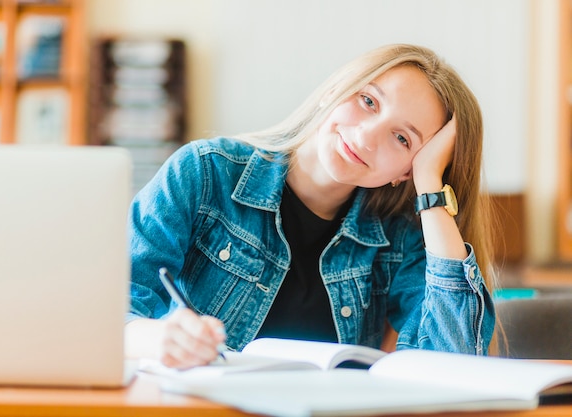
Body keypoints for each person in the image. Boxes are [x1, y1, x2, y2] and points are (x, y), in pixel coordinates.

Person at [125, 43, 498, 369]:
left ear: (406, 171)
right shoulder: (205, 173)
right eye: (368, 101)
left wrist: (431, 188)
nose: (367, 136)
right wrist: (163, 340)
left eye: (402, 138)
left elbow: (452, 360)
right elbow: (108, 317)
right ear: (335, 89)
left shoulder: (399, 235)